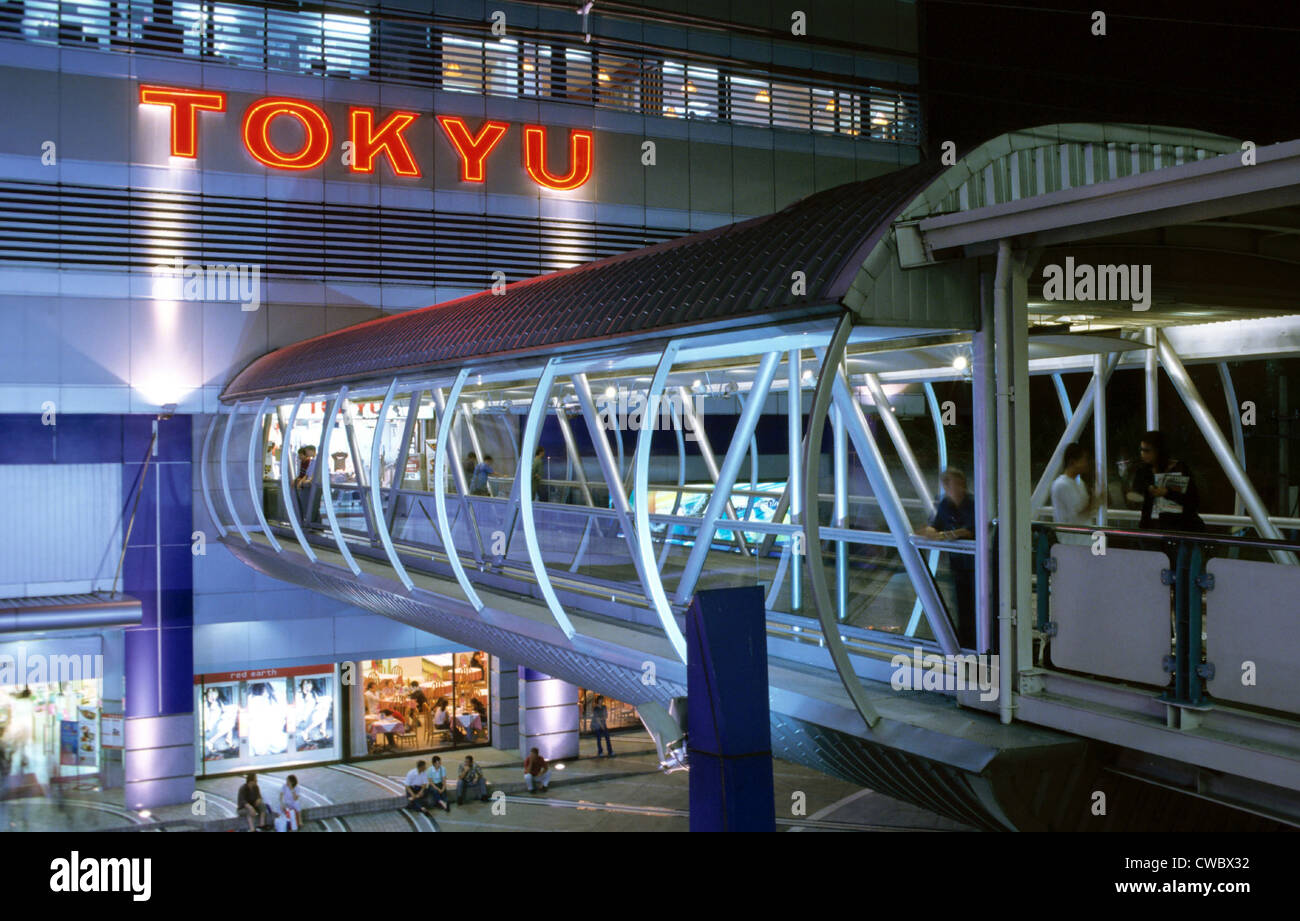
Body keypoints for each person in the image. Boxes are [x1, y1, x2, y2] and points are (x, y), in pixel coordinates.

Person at [917, 468, 976, 649]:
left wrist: (947, 534)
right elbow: (935, 525)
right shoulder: (945, 504)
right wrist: (931, 532)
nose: (950, 488)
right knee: (961, 605)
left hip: (977, 564)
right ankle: (966, 644)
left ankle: (979, 643)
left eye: (952, 484)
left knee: (977, 606)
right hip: (958, 564)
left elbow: (973, 528)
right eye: (948, 484)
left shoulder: (973, 503)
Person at [1133, 430, 1203, 532]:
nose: (1142, 454)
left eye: (1147, 450)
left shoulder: (1180, 468)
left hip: (1180, 527)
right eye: (1141, 450)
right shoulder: (1143, 471)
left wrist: (1167, 493)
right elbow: (1136, 492)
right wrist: (1147, 489)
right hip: (1151, 527)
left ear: (1159, 451)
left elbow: (1193, 500)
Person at [1051, 443, 1098, 544]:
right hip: (1072, 544)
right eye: (1084, 460)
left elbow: (1087, 511)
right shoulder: (1061, 485)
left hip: (1085, 542)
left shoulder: (1079, 483)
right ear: (1073, 462)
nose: (1086, 463)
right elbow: (1078, 513)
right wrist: (1097, 499)